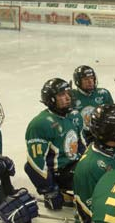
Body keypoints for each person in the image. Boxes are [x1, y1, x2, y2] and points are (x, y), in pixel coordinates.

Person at [25, 78, 85, 210]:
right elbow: (35, 164)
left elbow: (81, 144)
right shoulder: (40, 124)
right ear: (51, 99)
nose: (68, 98)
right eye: (62, 95)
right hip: (59, 173)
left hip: (74, 164)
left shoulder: (74, 116)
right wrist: (50, 189)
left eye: (68, 93)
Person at [71, 65, 114, 142]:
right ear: (78, 81)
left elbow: (113, 115)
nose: (90, 81)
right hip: (80, 137)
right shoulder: (71, 96)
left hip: (102, 134)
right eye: (86, 79)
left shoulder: (103, 93)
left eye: (92, 78)